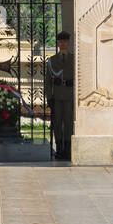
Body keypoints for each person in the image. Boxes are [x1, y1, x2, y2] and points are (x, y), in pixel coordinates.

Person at [45, 31, 74, 161]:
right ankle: (59, 149)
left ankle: (67, 149)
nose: (63, 44)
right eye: (60, 41)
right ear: (58, 43)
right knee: (57, 123)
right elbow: (48, 81)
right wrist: (49, 97)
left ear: (68, 43)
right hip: (56, 96)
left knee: (68, 123)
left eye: (65, 41)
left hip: (69, 95)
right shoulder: (52, 60)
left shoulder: (74, 59)